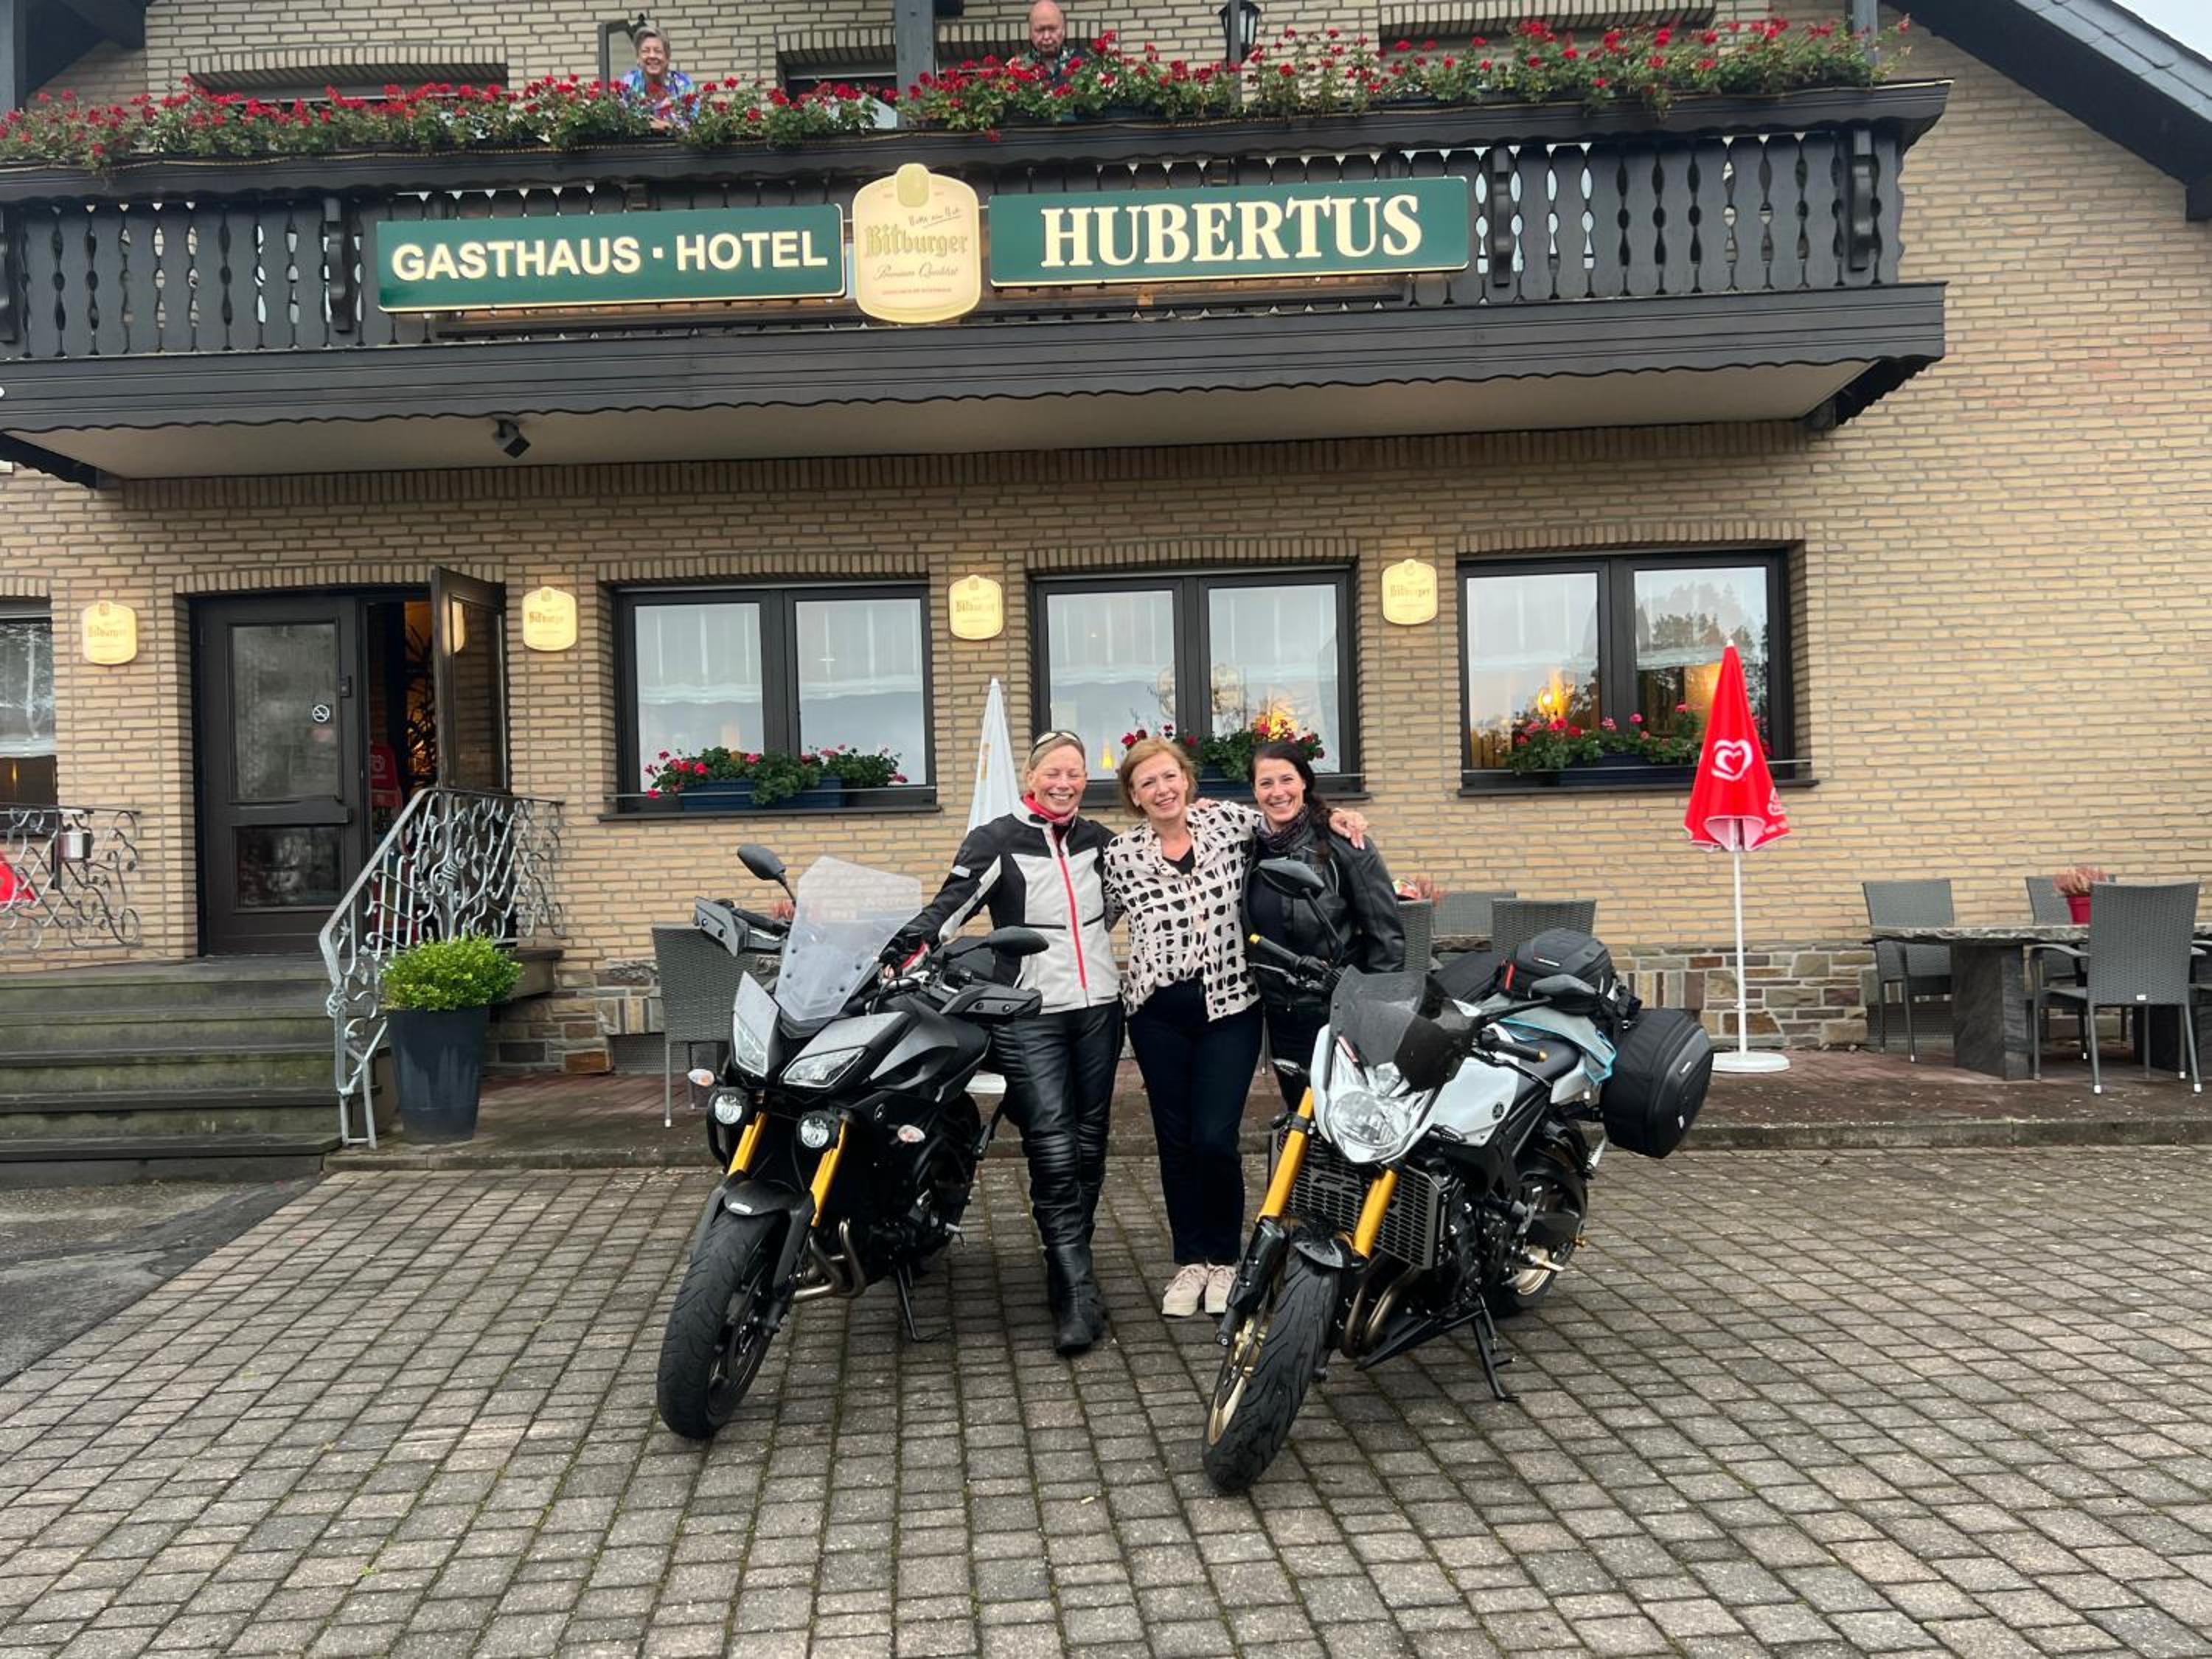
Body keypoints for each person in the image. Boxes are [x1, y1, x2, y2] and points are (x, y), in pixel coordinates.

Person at [1102, 738, 1366, 1320]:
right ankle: (1189, 1260)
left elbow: (1288, 818)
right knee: (1175, 1141)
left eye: (1169, 777)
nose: (1162, 790)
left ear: (1186, 780)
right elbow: (1091, 919)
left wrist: (1338, 816)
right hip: (1155, 1014)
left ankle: (1224, 1259)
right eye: (1147, 784)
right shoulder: (1120, 855)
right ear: (1134, 796)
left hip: (1229, 1009)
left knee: (1215, 1138)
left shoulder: (1229, 825)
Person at [888, 731, 1122, 1356]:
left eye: (1074, 773)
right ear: (1031, 777)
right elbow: (948, 908)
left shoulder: (1103, 842)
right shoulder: (996, 839)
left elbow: (1149, 885)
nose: (1064, 783)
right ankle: (1075, 1294)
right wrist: (898, 951)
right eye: (1053, 772)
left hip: (1100, 1009)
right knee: (1053, 1145)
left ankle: (1069, 1271)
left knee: (1090, 1146)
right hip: (1028, 1012)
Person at [1242, 740, 1405, 1110]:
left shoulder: (1345, 845)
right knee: (1301, 1118)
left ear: (1304, 782)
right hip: (1280, 1013)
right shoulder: (1251, 847)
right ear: (1254, 791)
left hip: (1337, 1011)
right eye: (1266, 783)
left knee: (1348, 1117)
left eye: (1287, 779)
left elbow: (1386, 936)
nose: (1277, 792)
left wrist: (1375, 1014)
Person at [619, 26, 695, 127]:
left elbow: (695, 125)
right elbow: (621, 121)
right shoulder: (629, 82)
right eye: (646, 51)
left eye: (658, 51)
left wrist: (667, 127)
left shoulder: (683, 84)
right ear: (638, 58)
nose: (652, 56)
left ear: (667, 57)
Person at [1022, 0, 1077, 80]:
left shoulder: (1084, 64)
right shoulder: (1018, 67)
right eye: (1040, 30)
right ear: (1030, 33)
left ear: (1063, 30)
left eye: (1052, 29)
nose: (1046, 37)